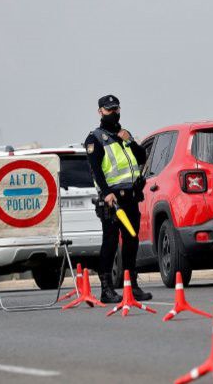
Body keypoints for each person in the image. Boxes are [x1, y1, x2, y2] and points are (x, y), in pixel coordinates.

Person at [84, 95, 151, 303]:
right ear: (100, 112)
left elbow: (142, 157)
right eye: (108, 109)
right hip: (113, 199)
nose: (113, 113)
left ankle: (132, 285)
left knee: (132, 241)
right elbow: (96, 171)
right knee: (111, 242)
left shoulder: (124, 135)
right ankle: (106, 288)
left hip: (131, 197)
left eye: (115, 109)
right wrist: (106, 193)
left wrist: (129, 141)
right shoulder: (95, 138)